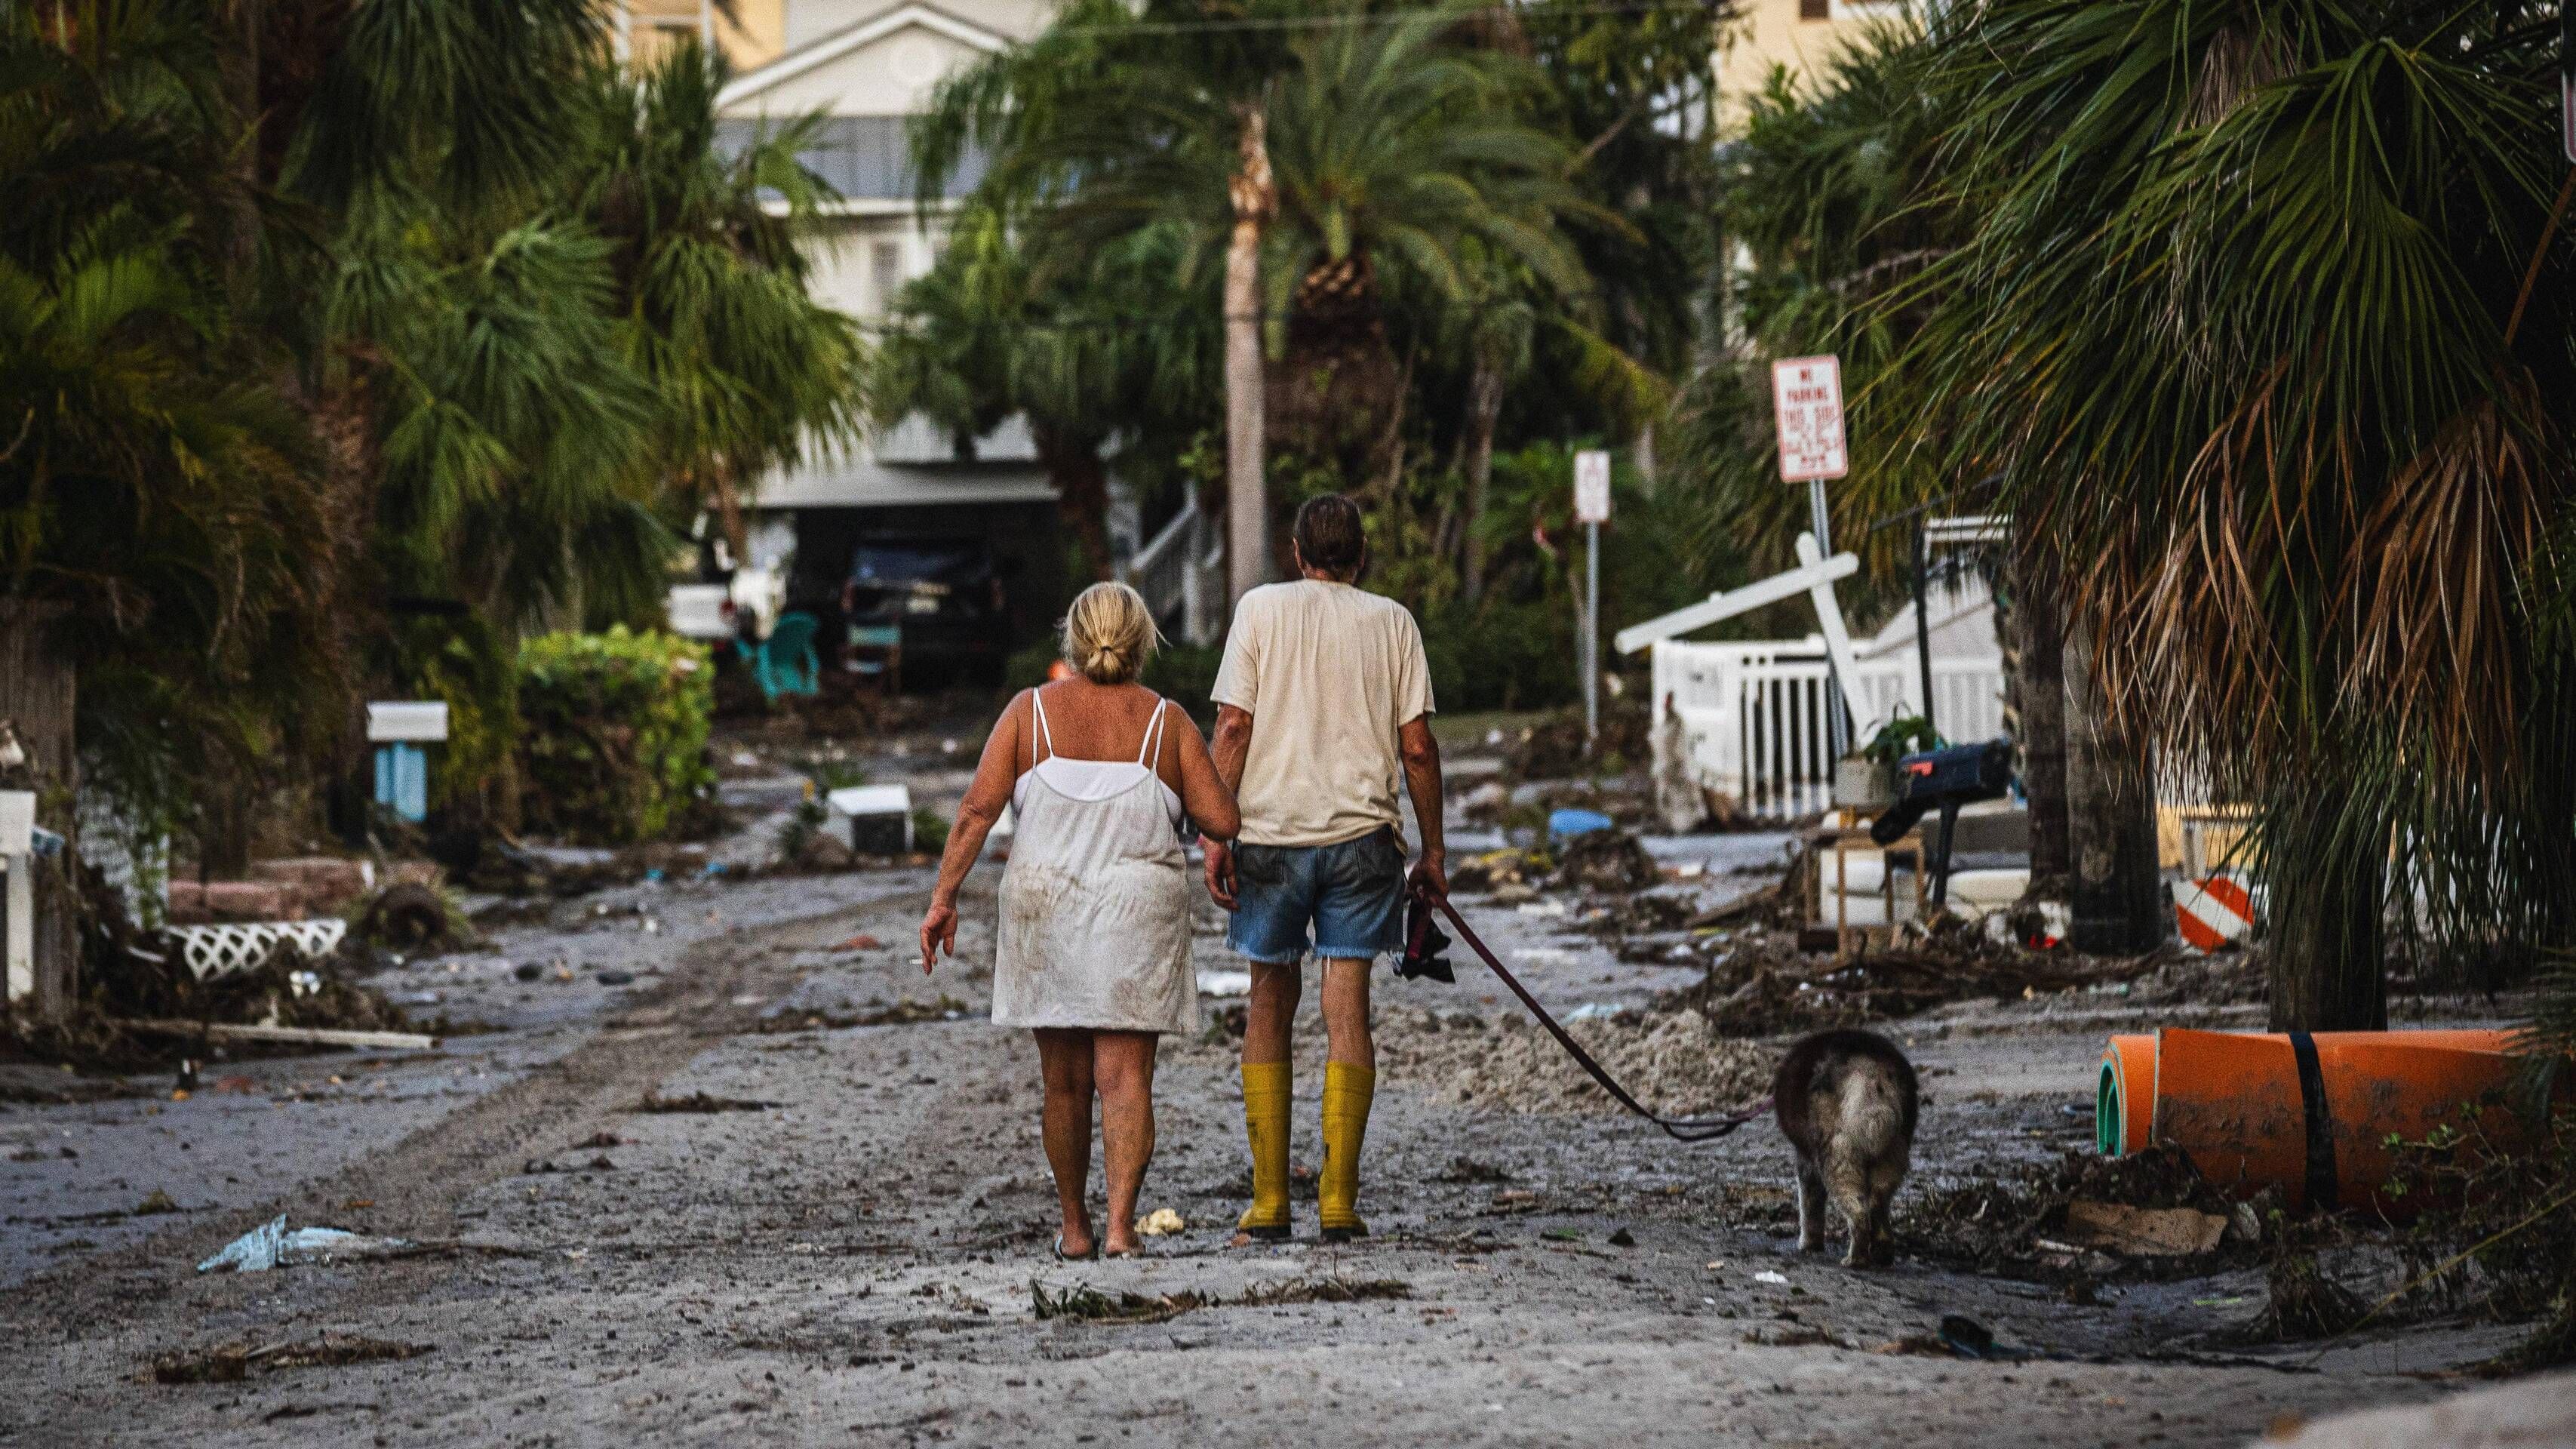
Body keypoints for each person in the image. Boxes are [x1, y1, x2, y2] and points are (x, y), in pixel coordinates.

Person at [918, 582, 1240, 1260]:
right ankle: (1123, 1229)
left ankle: (1075, 1229)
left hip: (1047, 906)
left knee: (1063, 1084)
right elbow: (1222, 820)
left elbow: (978, 810)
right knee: (1126, 1082)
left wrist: (943, 899)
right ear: (1144, 640)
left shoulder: (1027, 713)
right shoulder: (1165, 722)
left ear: (1072, 636)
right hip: (1134, 911)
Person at [1204, 494, 1447, 1245]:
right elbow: (1416, 748)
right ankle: (1339, 1202)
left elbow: (1234, 726)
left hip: (1269, 841)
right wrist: (1433, 852)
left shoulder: (1260, 611)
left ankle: (1270, 1202)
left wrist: (1215, 833)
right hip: (1363, 844)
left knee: (1268, 1008)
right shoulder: (1393, 622)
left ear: (1296, 550)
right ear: (1362, 555)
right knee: (1349, 1015)